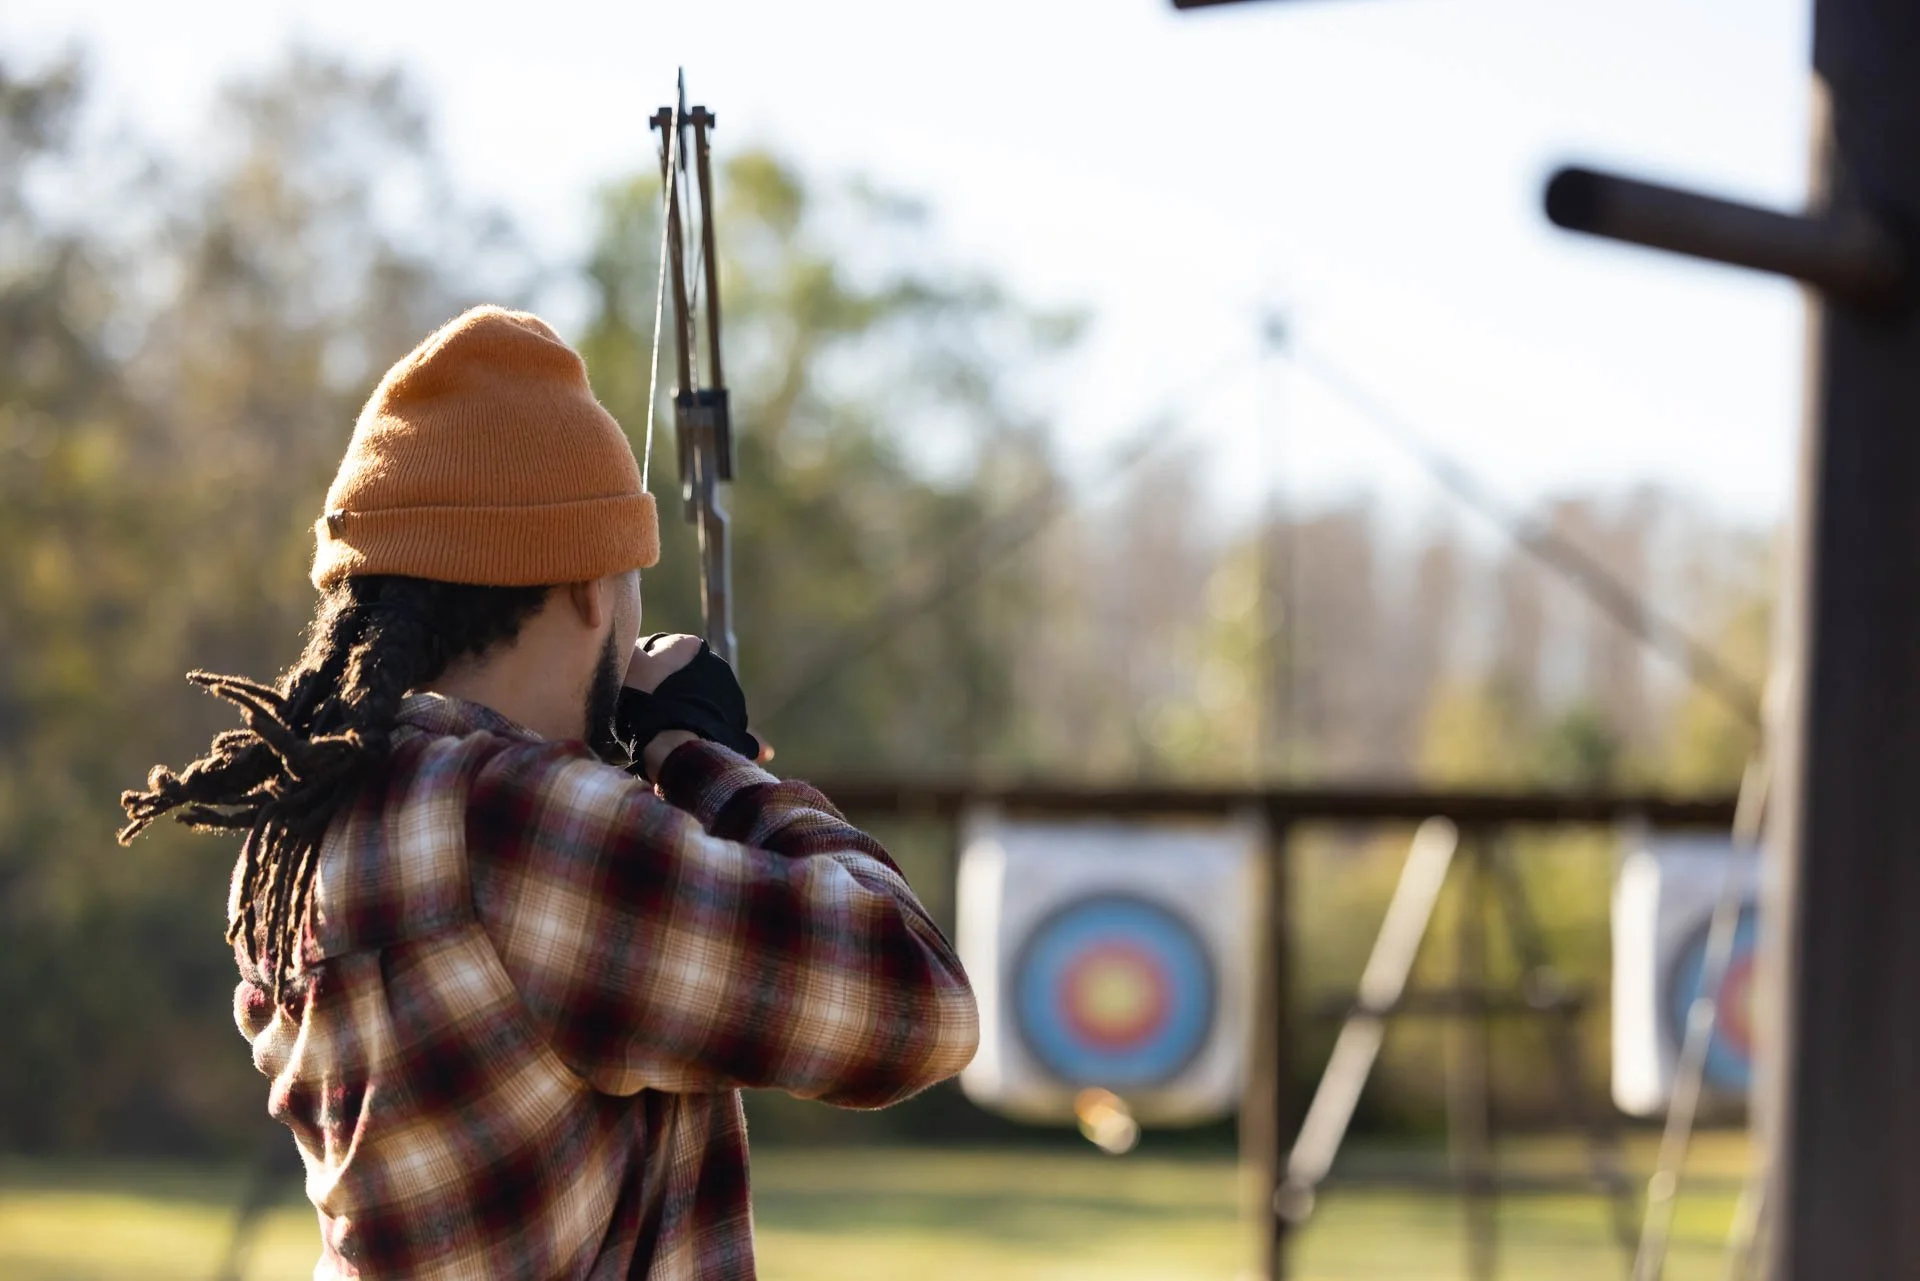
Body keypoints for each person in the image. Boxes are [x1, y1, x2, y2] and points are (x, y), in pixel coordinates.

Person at [118, 305, 979, 1280]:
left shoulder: (305, 829)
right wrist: (700, 754)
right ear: (584, 587)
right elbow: (921, 1008)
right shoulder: (511, 821)